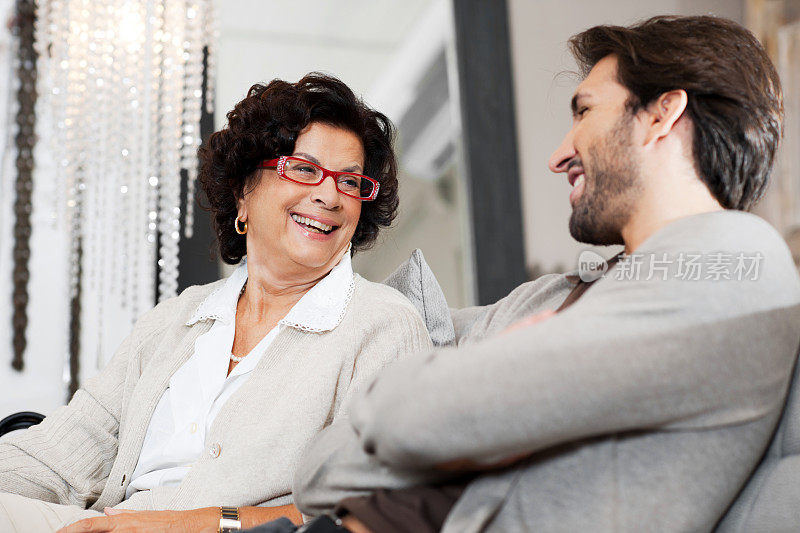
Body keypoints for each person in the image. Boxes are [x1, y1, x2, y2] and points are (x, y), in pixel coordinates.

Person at [253, 16, 800, 533]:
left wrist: (431, 410)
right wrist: (463, 417)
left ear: (662, 115)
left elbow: (406, 417)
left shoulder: (732, 261)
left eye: (584, 111)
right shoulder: (556, 295)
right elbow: (316, 472)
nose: (560, 155)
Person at [0, 73, 432, 532]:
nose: (330, 195)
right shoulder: (175, 320)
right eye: (304, 169)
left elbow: (378, 507)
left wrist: (198, 523)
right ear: (243, 192)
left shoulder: (383, 327)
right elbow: (57, 457)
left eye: (350, 181)